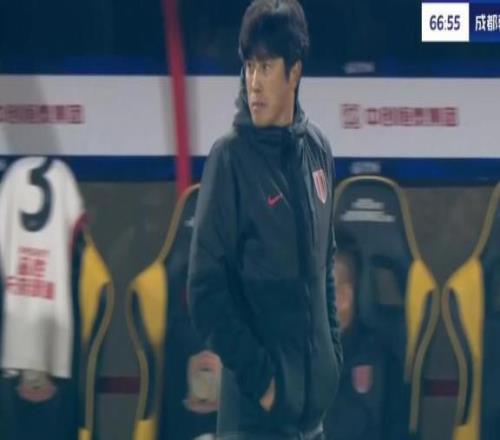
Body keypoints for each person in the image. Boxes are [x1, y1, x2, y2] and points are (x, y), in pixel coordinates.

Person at [188, 1, 342, 438]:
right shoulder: (230, 160)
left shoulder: (318, 151)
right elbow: (204, 292)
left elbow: (325, 264)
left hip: (312, 420)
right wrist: (265, 383)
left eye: (267, 67)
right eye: (249, 67)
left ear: (294, 72)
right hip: (255, 420)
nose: (254, 82)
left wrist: (331, 357)